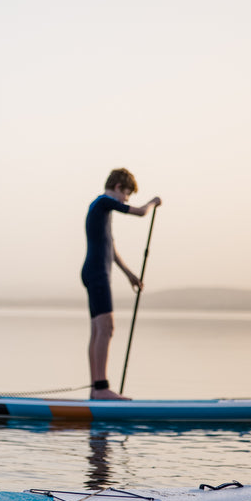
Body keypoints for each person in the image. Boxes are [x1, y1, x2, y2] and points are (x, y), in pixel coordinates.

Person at [80, 168, 161, 400]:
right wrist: (153, 202)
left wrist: (129, 274)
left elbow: (110, 247)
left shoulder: (100, 208)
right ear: (117, 188)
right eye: (126, 194)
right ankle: (101, 388)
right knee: (106, 328)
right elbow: (141, 212)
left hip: (94, 271)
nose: (126, 200)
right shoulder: (104, 201)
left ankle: (96, 389)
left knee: (98, 330)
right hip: (97, 273)